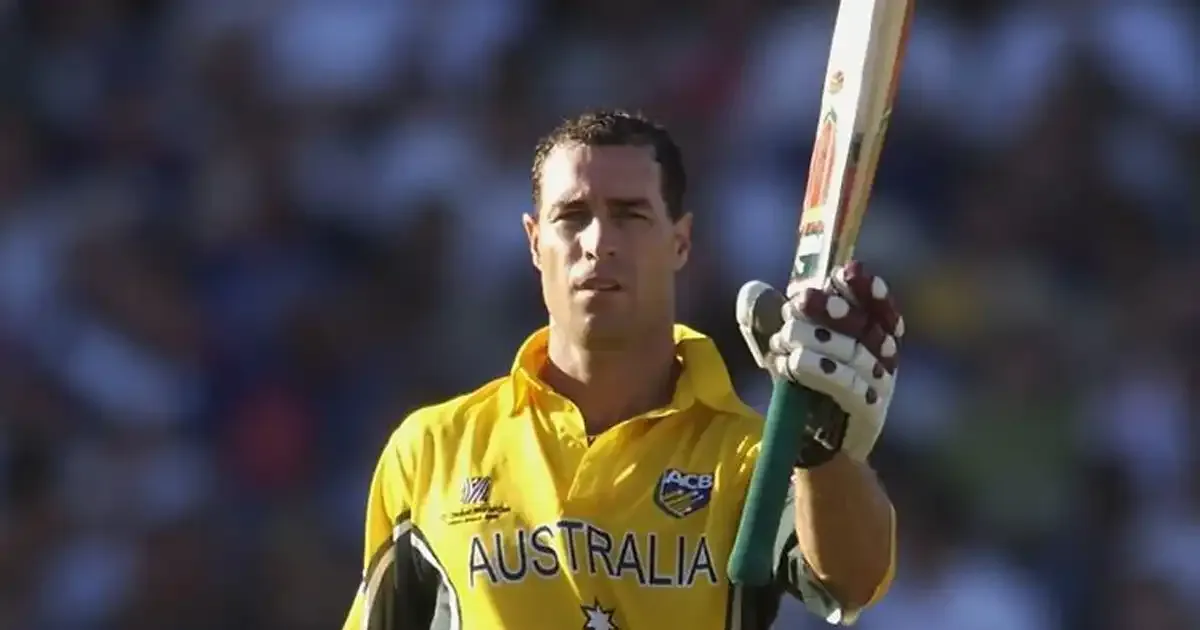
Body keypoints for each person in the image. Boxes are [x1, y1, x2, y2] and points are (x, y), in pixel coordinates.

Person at [342, 109, 902, 630]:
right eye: (572, 216)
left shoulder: (751, 453)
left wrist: (822, 453)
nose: (598, 242)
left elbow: (850, 582)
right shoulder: (434, 447)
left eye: (630, 215)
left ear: (680, 241)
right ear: (535, 242)